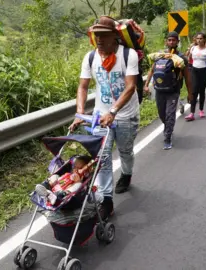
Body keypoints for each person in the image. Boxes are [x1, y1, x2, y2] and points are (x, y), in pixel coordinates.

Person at [69, 15, 140, 220]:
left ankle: (126, 174)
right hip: (101, 116)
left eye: (103, 35)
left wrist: (114, 111)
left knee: (126, 151)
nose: (99, 39)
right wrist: (80, 114)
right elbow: (82, 86)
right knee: (104, 157)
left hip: (125, 114)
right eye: (96, 35)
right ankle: (107, 201)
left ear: (115, 36)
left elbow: (130, 87)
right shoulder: (90, 57)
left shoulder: (129, 55)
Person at [144, 31, 191, 150]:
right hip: (159, 90)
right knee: (162, 114)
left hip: (173, 91)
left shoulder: (181, 58)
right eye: (169, 40)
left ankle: (168, 137)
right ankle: (167, 127)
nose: (171, 42)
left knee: (170, 114)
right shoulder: (161, 56)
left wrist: (190, 93)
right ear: (166, 41)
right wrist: (146, 84)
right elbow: (152, 70)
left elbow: (187, 76)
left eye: (174, 40)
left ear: (177, 42)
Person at [184, 32, 206, 121]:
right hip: (194, 71)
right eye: (197, 38)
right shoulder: (193, 48)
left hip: (204, 71)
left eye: (201, 38)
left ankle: (201, 110)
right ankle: (192, 113)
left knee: (201, 91)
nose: (199, 40)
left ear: (204, 39)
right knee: (193, 92)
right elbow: (188, 58)